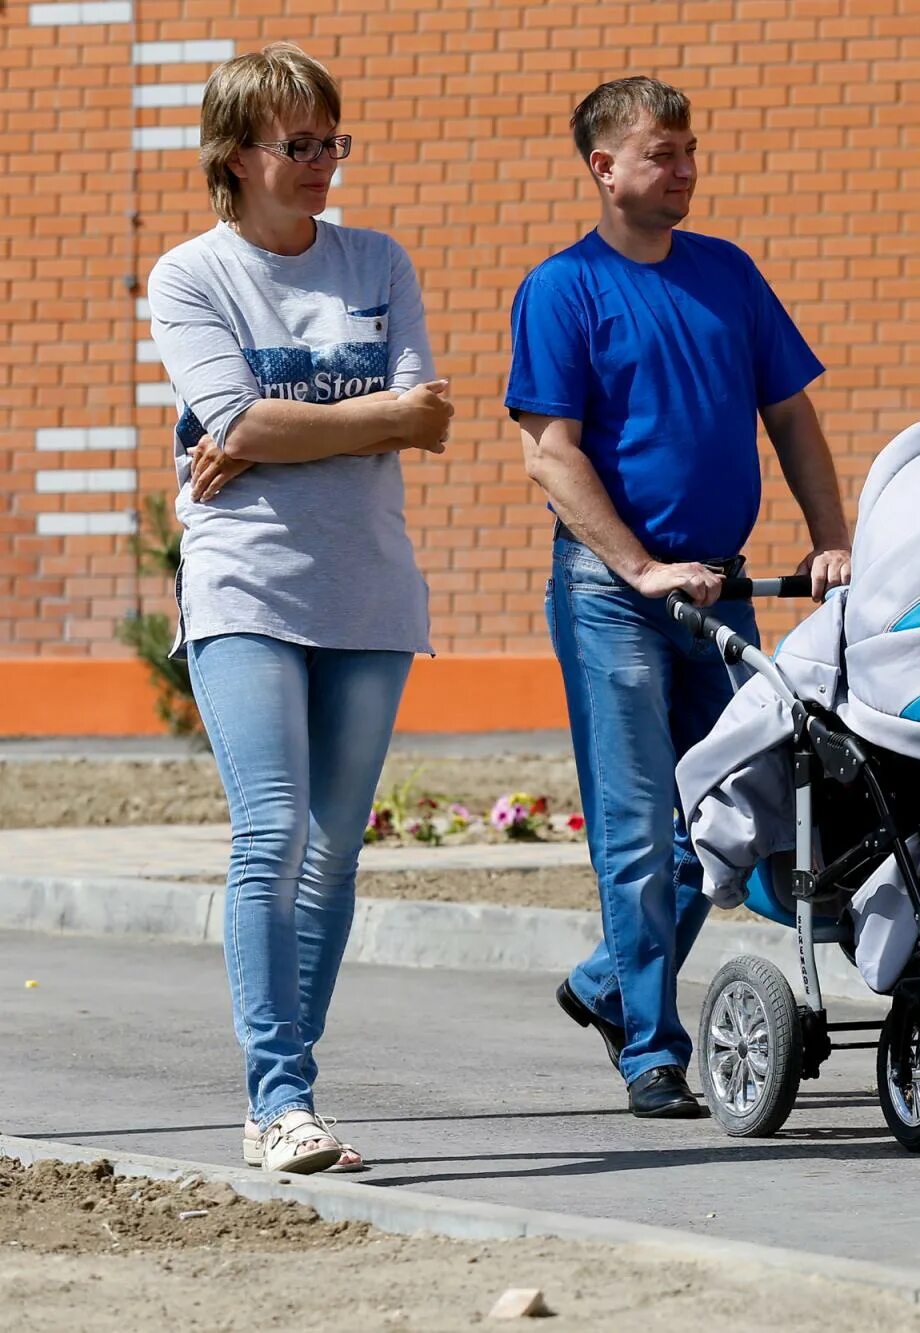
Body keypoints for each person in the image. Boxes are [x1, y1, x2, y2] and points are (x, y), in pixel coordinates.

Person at [506, 77, 850, 1119]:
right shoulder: (563, 289)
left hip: (722, 589)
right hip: (615, 598)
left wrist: (833, 535)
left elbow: (790, 415)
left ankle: (610, 984)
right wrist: (639, 566)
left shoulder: (728, 275)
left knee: (731, 813)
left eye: (690, 150)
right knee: (636, 827)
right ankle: (651, 1048)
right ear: (603, 168)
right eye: (661, 154)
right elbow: (549, 456)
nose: (684, 169)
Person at [148, 43, 453, 1173]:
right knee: (270, 831)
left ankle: (293, 1088)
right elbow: (238, 422)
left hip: (368, 590)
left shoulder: (375, 259)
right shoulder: (191, 275)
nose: (324, 161)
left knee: (334, 856)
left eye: (333, 139)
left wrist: (275, 428)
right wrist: (344, 418)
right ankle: (276, 1094)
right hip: (244, 583)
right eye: (301, 143)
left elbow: (428, 415)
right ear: (237, 156)